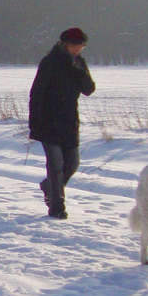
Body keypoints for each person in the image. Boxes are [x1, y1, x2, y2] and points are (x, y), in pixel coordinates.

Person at [29, 27, 96, 219]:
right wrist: (35, 123)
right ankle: (57, 207)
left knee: (72, 163)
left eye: (82, 46)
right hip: (48, 121)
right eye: (76, 46)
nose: (79, 49)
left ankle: (48, 186)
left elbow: (89, 89)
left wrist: (79, 72)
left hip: (69, 122)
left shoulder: (79, 63)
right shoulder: (49, 63)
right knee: (56, 165)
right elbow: (36, 93)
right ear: (66, 44)